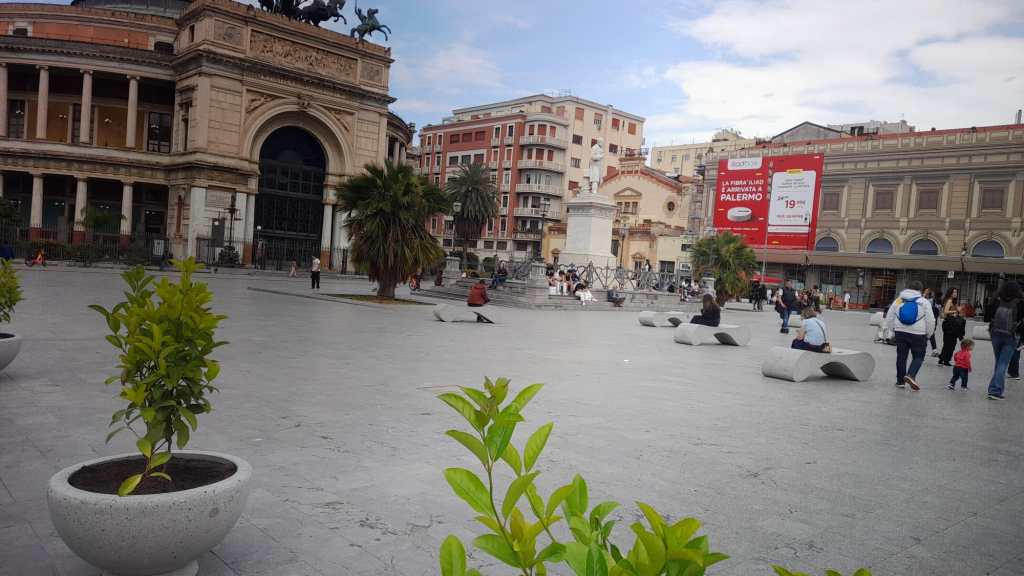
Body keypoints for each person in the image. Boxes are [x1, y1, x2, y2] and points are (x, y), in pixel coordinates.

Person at [885, 280, 936, 391]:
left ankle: (900, 382)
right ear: (920, 290)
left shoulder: (899, 300)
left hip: (900, 331)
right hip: (918, 333)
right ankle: (911, 375)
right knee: (918, 356)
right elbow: (931, 320)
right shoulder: (924, 301)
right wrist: (929, 334)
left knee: (901, 356)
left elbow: (889, 316)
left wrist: (892, 330)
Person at [984, 281, 1024, 400]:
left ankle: (995, 390)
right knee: (1002, 363)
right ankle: (995, 391)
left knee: (999, 362)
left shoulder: (995, 300)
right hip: (1011, 336)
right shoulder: (1021, 303)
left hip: (995, 334)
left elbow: (986, 318)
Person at [923, 288, 941, 356]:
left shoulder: (932, 300)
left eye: (927, 292)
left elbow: (937, 309)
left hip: (930, 319)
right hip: (924, 320)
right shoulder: (923, 299)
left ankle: (934, 350)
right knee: (930, 335)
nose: (926, 293)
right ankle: (934, 350)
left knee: (930, 334)